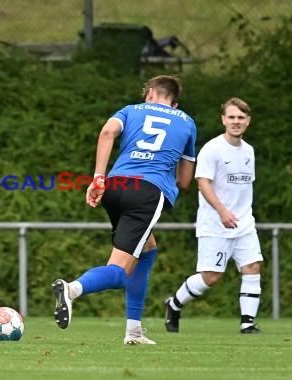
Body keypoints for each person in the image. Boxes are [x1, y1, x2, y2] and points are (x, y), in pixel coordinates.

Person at [52, 75, 196, 345]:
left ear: (150, 93)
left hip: (115, 186)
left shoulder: (130, 110)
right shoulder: (187, 121)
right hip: (147, 192)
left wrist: (97, 178)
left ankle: (134, 331)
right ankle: (72, 289)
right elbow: (185, 181)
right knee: (119, 272)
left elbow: (107, 132)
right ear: (174, 103)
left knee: (148, 250)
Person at [164, 97, 262, 334]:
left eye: (240, 117)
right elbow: (203, 183)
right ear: (223, 120)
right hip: (215, 224)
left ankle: (247, 323)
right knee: (211, 277)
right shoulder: (212, 149)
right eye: (231, 117)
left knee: (252, 267)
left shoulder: (248, 151)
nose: (236, 122)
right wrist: (223, 211)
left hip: (244, 223)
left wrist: (239, 214)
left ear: (247, 121)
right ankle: (174, 304)